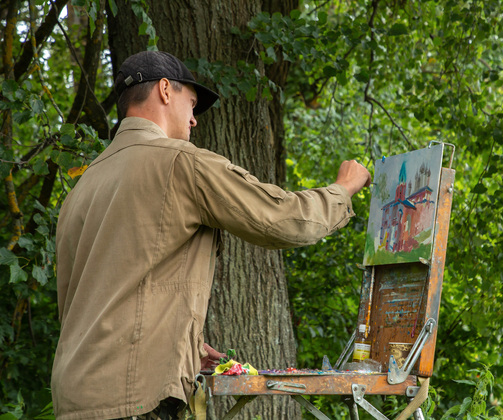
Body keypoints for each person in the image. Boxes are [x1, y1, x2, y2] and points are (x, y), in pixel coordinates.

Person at [51, 50, 371, 420]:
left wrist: (182, 346)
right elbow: (285, 221)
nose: (194, 120)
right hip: (132, 398)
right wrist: (342, 189)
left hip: (75, 397)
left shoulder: (82, 187)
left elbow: (108, 293)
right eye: (191, 104)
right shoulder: (180, 162)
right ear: (165, 90)